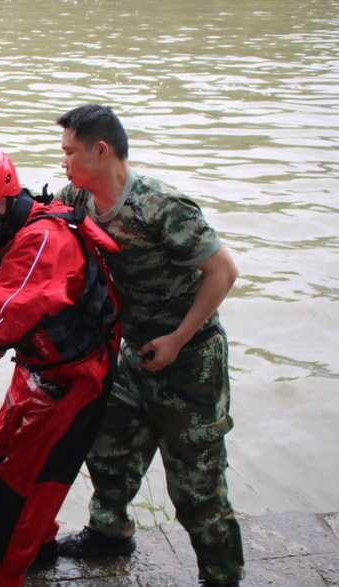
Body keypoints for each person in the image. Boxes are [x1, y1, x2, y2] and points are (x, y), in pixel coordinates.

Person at [53, 105, 243, 587]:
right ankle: (109, 533)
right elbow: (42, 237)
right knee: (108, 449)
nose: (63, 164)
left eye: (69, 153)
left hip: (190, 362)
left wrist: (178, 339)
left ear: (101, 150)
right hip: (130, 352)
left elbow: (223, 271)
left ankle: (222, 576)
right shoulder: (77, 196)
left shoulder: (163, 208)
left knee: (197, 485)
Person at [0, 144, 121, 587]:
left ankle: (3, 574)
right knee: (0, 458)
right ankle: (41, 549)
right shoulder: (9, 228)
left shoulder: (45, 240)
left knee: (20, 497)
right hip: (39, 369)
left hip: (76, 380)